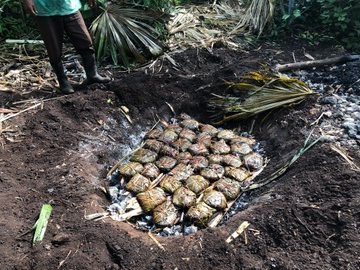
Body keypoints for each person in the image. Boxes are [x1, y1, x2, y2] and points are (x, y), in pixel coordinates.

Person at [22, 0, 110, 94]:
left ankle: (92, 75)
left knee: (85, 41)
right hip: (45, 9)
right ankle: (63, 82)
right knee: (53, 48)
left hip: (70, 6)